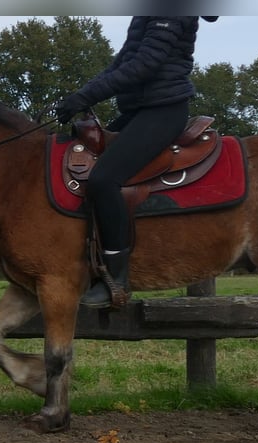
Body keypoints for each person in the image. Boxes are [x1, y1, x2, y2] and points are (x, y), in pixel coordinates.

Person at [56, 16, 218, 308]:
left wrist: (85, 96)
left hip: (162, 111)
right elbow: (122, 62)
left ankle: (116, 281)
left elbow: (146, 64)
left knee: (104, 180)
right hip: (139, 111)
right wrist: (80, 95)